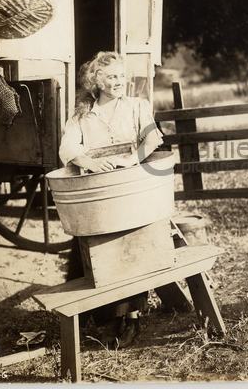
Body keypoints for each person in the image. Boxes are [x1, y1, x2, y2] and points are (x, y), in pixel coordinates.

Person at [59, 51, 164, 345]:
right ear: (96, 80)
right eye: (112, 77)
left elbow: (153, 139)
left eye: (121, 76)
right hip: (97, 189)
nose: (119, 82)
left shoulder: (136, 106)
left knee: (130, 246)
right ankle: (84, 315)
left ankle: (131, 319)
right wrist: (88, 162)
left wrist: (130, 161)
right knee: (89, 245)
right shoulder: (83, 115)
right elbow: (67, 149)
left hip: (129, 185)